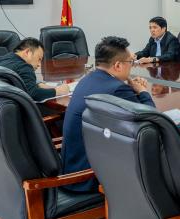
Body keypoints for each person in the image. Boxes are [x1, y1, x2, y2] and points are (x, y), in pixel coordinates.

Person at [61, 36, 154, 191]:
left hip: (73, 169)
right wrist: (143, 92)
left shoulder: (88, 79)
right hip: (90, 177)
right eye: (130, 62)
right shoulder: (118, 89)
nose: (132, 66)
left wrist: (132, 91)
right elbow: (150, 121)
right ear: (118, 65)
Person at [0, 38, 69, 102]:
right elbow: (33, 94)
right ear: (27, 52)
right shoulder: (24, 67)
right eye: (39, 59)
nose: (39, 65)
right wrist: (57, 91)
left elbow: (19, 81)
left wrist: (38, 84)